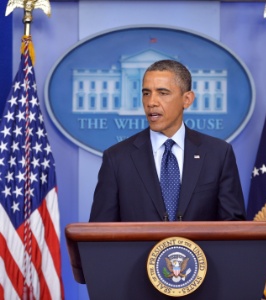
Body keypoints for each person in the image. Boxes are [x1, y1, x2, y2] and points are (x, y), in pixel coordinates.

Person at [89, 59, 246, 222]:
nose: (151, 102)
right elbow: (100, 233)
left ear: (187, 99)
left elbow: (233, 228)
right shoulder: (117, 158)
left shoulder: (218, 154)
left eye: (162, 93)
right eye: (146, 93)